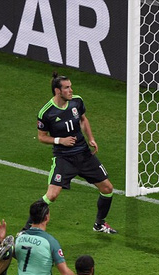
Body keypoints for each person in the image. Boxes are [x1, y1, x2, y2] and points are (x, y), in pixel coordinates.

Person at [31, 72, 118, 234]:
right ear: (57, 91)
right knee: (52, 195)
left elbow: (83, 120)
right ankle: (28, 227)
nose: (71, 90)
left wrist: (91, 138)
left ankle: (99, 224)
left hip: (84, 154)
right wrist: (60, 141)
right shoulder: (46, 113)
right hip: (64, 158)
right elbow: (41, 137)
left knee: (107, 188)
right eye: (67, 88)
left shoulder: (77, 101)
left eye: (70, 87)